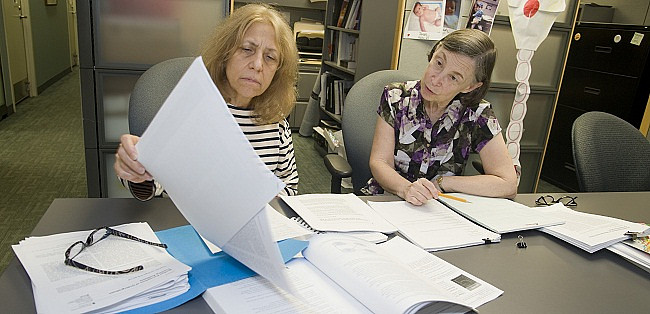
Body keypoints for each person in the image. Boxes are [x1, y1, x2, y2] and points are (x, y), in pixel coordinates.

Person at [114, 4, 299, 200]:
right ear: (226, 54)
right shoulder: (191, 109)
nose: (258, 65)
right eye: (247, 49)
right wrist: (135, 166)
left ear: (277, 71)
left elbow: (289, 187)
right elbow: (154, 182)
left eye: (270, 57)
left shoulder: (276, 123)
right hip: (187, 225)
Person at [365, 29, 517, 206]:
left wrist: (442, 182)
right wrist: (407, 189)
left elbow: (507, 184)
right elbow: (379, 161)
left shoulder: (478, 114)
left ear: (470, 86)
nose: (435, 79)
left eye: (453, 77)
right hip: (388, 198)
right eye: (438, 63)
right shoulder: (395, 96)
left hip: (440, 206)